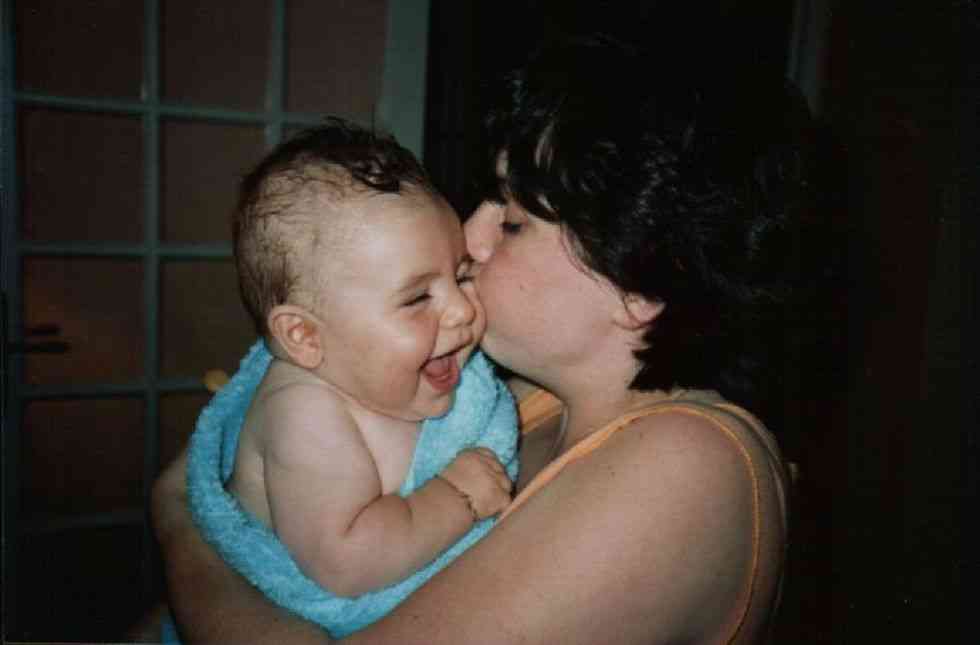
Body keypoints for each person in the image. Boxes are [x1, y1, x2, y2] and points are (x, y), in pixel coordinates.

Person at [152, 35, 813, 643]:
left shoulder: (686, 465)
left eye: (514, 220)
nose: (469, 237)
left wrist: (180, 518)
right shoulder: (516, 402)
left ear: (639, 281)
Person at [169, 118, 518, 639]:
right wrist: (456, 497)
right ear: (306, 337)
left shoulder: (391, 373)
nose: (463, 310)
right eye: (418, 297)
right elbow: (346, 563)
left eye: (461, 275)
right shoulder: (303, 412)